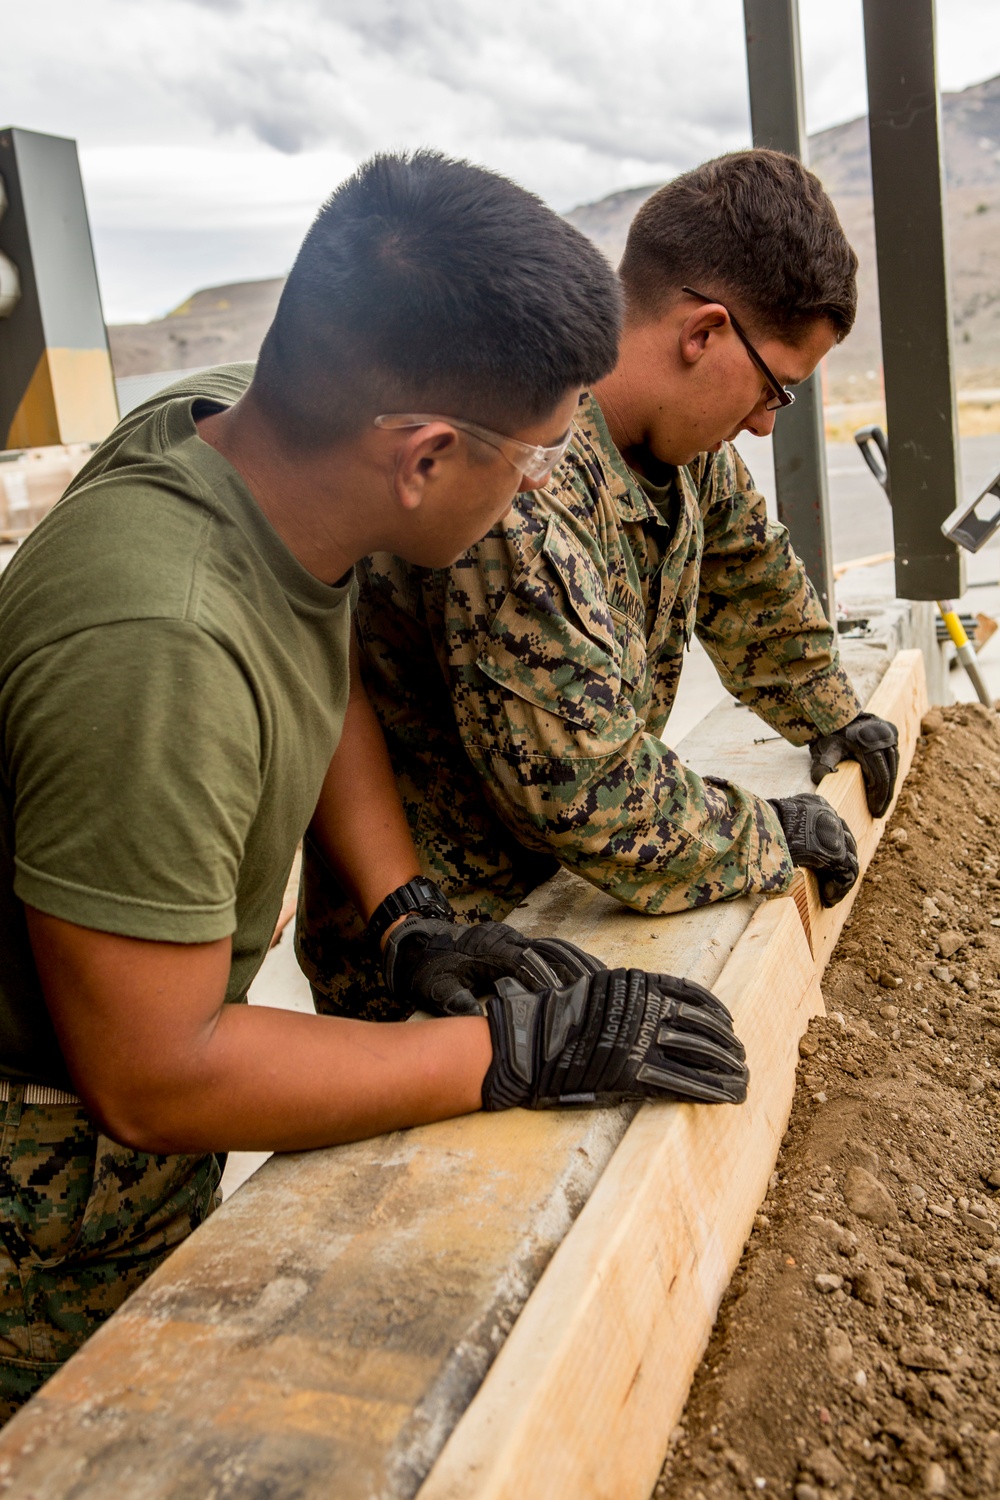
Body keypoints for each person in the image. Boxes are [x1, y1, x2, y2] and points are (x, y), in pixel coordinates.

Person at [0, 151, 753, 1420]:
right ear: (422, 458)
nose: (531, 496)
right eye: (526, 461)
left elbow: (315, 626)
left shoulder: (249, 437)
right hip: (47, 1181)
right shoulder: (160, 644)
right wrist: (510, 1052)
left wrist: (406, 911)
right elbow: (156, 1074)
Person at [298, 149, 900, 1022]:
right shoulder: (518, 476)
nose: (769, 423)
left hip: (555, 907)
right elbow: (587, 789)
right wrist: (768, 833)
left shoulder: (683, 453)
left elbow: (748, 570)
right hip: (441, 955)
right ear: (704, 333)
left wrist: (830, 710)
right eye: (778, 387)